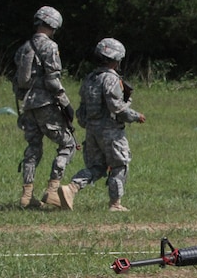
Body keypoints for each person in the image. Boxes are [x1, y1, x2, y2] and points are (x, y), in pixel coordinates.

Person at [57, 38, 146, 212]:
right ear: (116, 58)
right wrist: (136, 116)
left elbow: (82, 111)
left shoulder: (90, 78)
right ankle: (115, 204)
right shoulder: (111, 79)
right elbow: (117, 108)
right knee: (120, 164)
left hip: (92, 130)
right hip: (111, 131)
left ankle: (71, 188)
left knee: (97, 166)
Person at [12, 6, 76, 209]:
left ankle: (27, 195)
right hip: (45, 104)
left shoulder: (24, 47)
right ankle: (52, 190)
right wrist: (65, 103)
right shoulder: (50, 47)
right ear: (55, 25)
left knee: (33, 148)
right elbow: (52, 79)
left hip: (27, 105)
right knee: (68, 144)